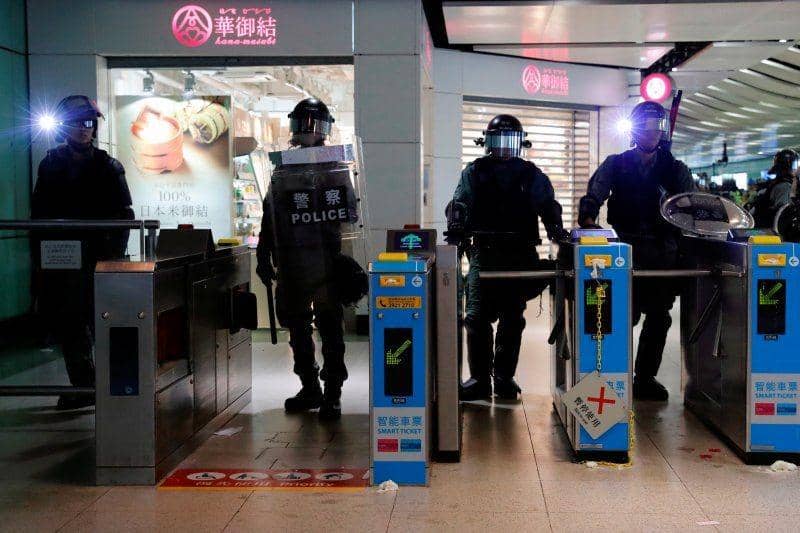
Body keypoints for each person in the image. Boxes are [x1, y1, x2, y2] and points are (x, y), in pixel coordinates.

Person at [578, 101, 694, 401]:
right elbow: (594, 196)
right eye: (645, 126)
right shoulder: (617, 163)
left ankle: (644, 378)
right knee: (620, 316)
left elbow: (690, 208)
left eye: (658, 126)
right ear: (634, 130)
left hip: (662, 251)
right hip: (624, 249)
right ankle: (613, 375)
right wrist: (589, 225)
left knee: (659, 317)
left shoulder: (676, 169)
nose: (651, 133)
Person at [446, 114, 567, 401]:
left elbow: (548, 206)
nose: (503, 148)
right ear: (487, 143)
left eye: (509, 141)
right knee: (476, 319)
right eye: (497, 141)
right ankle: (478, 379)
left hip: (519, 253)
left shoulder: (530, 174)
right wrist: (456, 233)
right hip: (484, 253)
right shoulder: (474, 172)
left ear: (519, 143)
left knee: (513, 318)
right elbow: (460, 204)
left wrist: (557, 233)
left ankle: (503, 377)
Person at [256, 98, 361, 421]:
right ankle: (309, 385)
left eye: (314, 125)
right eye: (302, 124)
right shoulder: (284, 167)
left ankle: (332, 392)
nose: (307, 132)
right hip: (289, 258)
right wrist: (263, 253)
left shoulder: (334, 167)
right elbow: (269, 214)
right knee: (297, 327)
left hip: (325, 259)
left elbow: (351, 211)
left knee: (330, 328)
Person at [31, 95, 134, 410]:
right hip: (62, 259)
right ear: (64, 127)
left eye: (88, 123)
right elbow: (39, 215)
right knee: (70, 322)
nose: (83, 129)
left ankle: (112, 382)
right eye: (76, 123)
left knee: (105, 321)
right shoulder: (51, 164)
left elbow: (124, 215)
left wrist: (113, 257)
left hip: (99, 256)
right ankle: (83, 384)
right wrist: (41, 259)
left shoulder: (109, 166)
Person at [750, 149, 799, 228]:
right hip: (772, 233)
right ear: (791, 165)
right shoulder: (785, 186)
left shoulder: (774, 184)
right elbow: (783, 213)